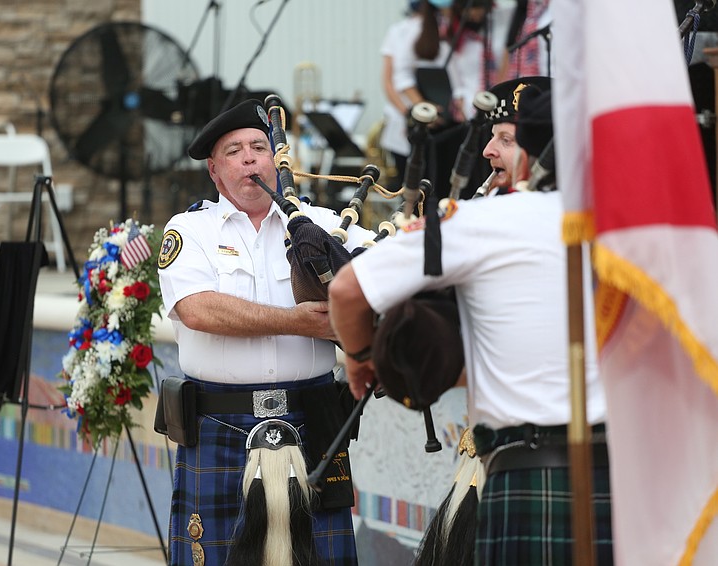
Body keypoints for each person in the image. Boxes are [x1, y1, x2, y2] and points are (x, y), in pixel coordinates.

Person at [327, 79, 614, 564]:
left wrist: (359, 360)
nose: (487, 150)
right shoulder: (627, 224)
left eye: (505, 139)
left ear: (532, 153)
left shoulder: (481, 223)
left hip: (525, 475)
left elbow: (345, 290)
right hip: (619, 475)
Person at [157, 99, 373, 566]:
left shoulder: (326, 227)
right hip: (219, 428)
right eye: (235, 150)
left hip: (313, 424)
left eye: (261, 146)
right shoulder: (188, 230)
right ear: (214, 171)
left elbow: (382, 281)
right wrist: (296, 321)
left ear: (281, 161)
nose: (251, 157)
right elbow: (197, 310)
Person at [379, 0, 452, 188]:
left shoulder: (449, 28)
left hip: (442, 125)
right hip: (408, 123)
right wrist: (413, 113)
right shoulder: (402, 30)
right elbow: (391, 81)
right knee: (410, 187)